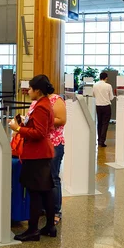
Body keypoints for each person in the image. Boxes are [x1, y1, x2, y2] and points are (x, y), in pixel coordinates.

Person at [8, 75, 56, 242]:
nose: (28, 91)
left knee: (35, 193)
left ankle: (33, 230)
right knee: (46, 190)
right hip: (42, 153)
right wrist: (25, 123)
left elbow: (40, 133)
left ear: (38, 90)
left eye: (30, 89)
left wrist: (18, 129)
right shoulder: (43, 104)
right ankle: (50, 226)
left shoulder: (42, 107)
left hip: (37, 154)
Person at [48, 90, 66, 225]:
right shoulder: (38, 101)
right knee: (43, 177)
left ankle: (55, 211)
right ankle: (45, 207)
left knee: (53, 177)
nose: (28, 91)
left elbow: (61, 120)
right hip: (41, 145)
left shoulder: (56, 100)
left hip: (54, 144)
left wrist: (42, 120)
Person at [92, 72, 114, 147]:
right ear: (106, 78)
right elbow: (111, 97)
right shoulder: (108, 86)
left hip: (98, 106)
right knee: (105, 124)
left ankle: (99, 140)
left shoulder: (95, 85)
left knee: (99, 123)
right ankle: (102, 141)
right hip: (106, 106)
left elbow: (93, 95)